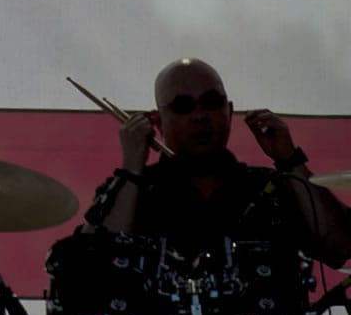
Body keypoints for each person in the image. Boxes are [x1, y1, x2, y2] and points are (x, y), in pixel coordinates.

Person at [87, 57, 351, 266]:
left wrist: (290, 159)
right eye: (183, 106)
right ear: (158, 122)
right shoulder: (135, 190)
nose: (200, 115)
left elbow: (340, 246)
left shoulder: (269, 188)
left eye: (212, 102)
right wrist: (132, 166)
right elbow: (93, 266)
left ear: (230, 111)